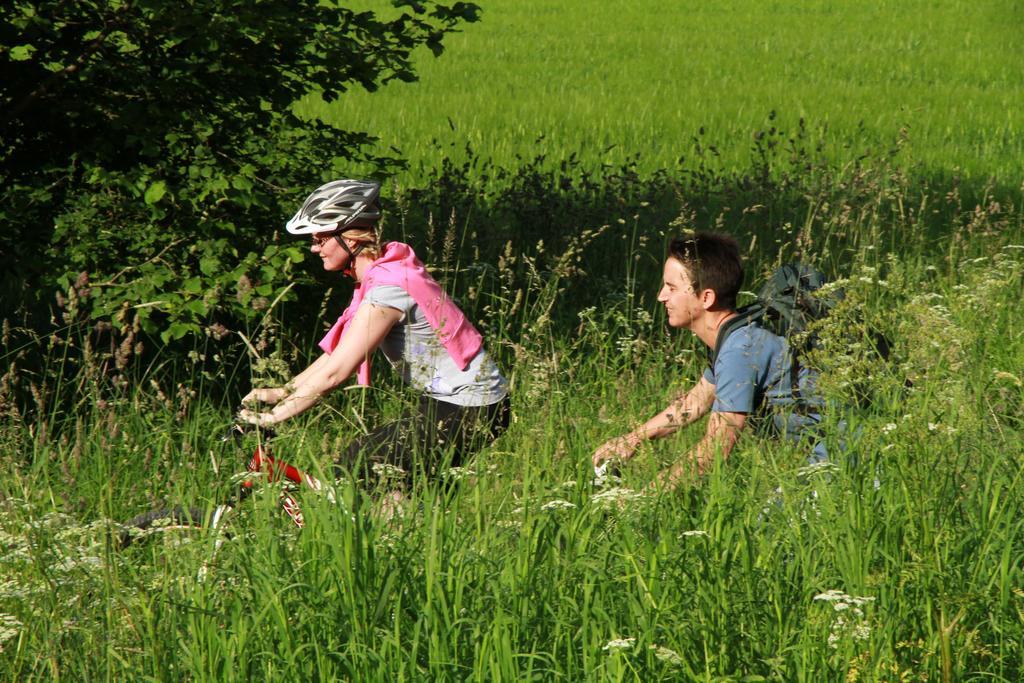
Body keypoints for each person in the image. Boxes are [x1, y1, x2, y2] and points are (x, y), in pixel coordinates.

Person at [240, 179, 509, 486]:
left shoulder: (389, 290)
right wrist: (282, 393)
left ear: (350, 240)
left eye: (320, 238)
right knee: (386, 481)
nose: (314, 248)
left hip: (474, 407)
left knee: (356, 469)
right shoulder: (382, 273)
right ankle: (404, 527)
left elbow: (337, 373)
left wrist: (273, 418)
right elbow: (334, 358)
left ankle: (388, 528)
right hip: (453, 402)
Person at [591, 232, 827, 492]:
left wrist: (645, 498)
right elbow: (696, 401)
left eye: (671, 288)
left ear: (706, 298)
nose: (661, 297)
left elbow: (716, 448)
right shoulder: (735, 334)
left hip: (840, 458)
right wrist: (632, 439)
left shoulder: (740, 349)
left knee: (767, 525)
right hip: (823, 456)